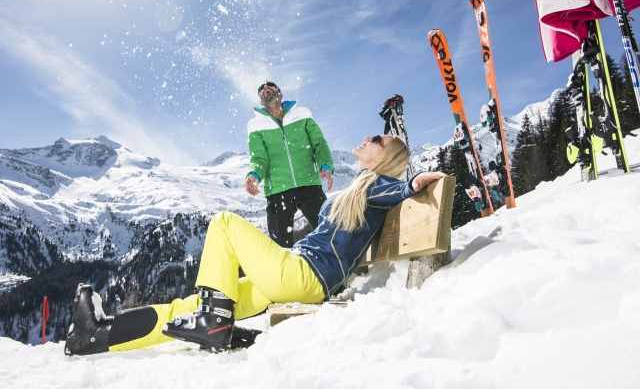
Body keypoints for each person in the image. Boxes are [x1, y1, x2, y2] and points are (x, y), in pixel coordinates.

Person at [64, 135, 444, 355]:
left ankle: (213, 322)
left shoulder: (376, 186)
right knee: (194, 306)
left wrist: (413, 185)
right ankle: (99, 334)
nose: (367, 139)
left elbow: (400, 189)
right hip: (298, 276)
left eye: (377, 140)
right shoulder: (361, 188)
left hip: (304, 277)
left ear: (387, 157)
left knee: (225, 223)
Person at [246, 81, 334, 247]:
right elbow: (259, 158)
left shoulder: (302, 114)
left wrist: (326, 166)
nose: (265, 90)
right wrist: (254, 175)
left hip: (309, 185)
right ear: (260, 100)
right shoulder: (255, 126)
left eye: (269, 88)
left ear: (280, 93)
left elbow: (318, 143)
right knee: (280, 245)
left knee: (330, 231)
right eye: (261, 91)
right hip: (278, 191)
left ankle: (351, 268)